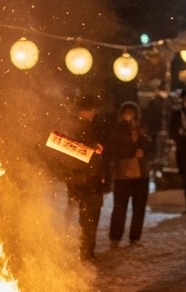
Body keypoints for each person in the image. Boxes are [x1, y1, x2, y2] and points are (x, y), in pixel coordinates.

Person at [63, 96, 110, 260]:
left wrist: (99, 149)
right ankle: (83, 248)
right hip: (80, 179)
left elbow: (107, 150)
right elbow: (68, 153)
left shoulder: (99, 126)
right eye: (86, 111)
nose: (89, 114)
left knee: (93, 215)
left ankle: (89, 249)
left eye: (91, 111)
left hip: (95, 179)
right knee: (83, 217)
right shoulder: (73, 128)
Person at [107, 101, 153, 247]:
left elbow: (151, 146)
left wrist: (144, 149)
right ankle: (115, 238)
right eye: (126, 113)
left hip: (141, 174)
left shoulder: (143, 129)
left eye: (132, 113)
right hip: (122, 174)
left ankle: (135, 237)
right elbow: (114, 150)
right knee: (120, 208)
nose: (129, 116)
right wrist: (132, 151)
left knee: (139, 208)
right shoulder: (117, 130)